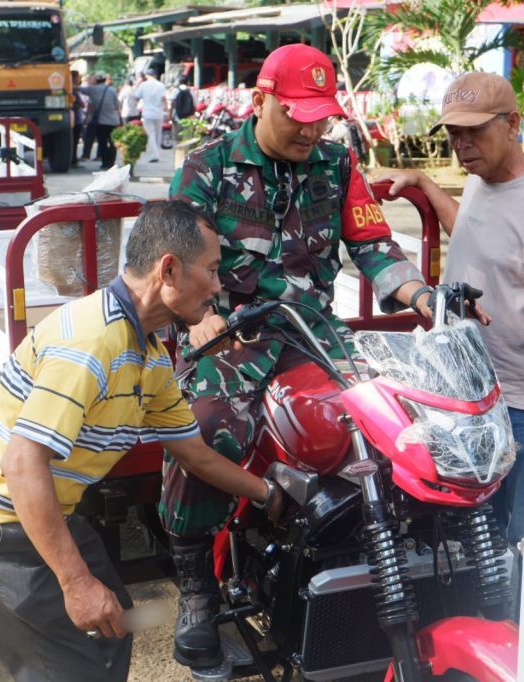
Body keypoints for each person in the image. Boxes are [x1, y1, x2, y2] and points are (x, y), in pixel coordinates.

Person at [159, 43, 454, 669]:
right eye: (299, 113)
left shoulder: (336, 163)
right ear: (261, 99)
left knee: (392, 422)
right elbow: (178, 264)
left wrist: (420, 293)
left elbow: (374, 244)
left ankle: (379, 557)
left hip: (313, 329)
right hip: (231, 332)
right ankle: (197, 589)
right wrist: (199, 314)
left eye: (322, 114)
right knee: (206, 429)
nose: (312, 127)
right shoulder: (207, 167)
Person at [0, 201, 282, 682]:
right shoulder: (92, 344)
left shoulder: (147, 355)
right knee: (71, 668)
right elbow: (22, 462)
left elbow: (195, 453)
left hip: (36, 510)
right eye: (214, 270)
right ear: (170, 270)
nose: (220, 287)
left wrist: (271, 495)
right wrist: (75, 583)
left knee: (114, 623)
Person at [384, 71, 524, 548]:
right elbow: (470, 230)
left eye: (474, 131)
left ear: (512, 123)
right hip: (470, 387)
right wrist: (424, 183)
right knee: (474, 521)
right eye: (454, 134)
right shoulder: (479, 180)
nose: (462, 144)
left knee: (522, 530)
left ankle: (521, 617)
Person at [78, 73, 123, 169]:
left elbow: (80, 89)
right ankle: (111, 162)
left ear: (96, 80)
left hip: (100, 121)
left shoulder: (92, 89)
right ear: (105, 79)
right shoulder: (112, 90)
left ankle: (105, 163)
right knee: (112, 143)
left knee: (102, 143)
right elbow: (118, 105)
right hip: (113, 121)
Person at [132, 68, 168, 162]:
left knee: (150, 134)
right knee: (158, 134)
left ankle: (154, 154)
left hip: (147, 113)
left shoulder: (143, 85)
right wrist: (167, 111)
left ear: (147, 75)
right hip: (159, 113)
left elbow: (136, 97)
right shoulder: (161, 85)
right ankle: (157, 153)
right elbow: (164, 99)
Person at [70, 70, 86, 167]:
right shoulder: (73, 90)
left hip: (76, 119)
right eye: (77, 77)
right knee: (74, 142)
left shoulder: (73, 89)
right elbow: (81, 104)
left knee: (74, 142)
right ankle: (73, 160)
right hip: (76, 120)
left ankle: (73, 159)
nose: (79, 79)